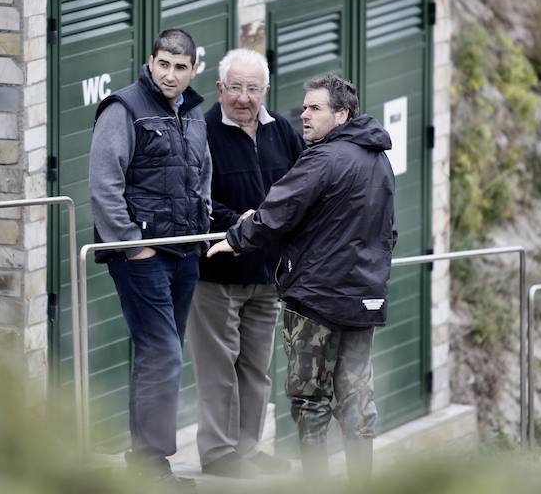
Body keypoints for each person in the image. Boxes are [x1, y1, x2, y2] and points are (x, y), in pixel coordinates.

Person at [206, 73, 397, 483]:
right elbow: (388, 231)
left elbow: (277, 210)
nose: (304, 116)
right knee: (357, 398)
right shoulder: (377, 158)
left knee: (311, 402)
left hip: (317, 300)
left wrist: (235, 239)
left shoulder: (323, 159)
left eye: (315, 109)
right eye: (304, 107)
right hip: (365, 298)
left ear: (341, 114)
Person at [89, 28, 211, 488]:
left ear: (193, 70)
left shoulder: (195, 113)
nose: (171, 75)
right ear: (150, 62)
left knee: (162, 353)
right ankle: (150, 465)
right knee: (162, 353)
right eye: (164, 64)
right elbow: (104, 182)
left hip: (186, 251)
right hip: (142, 255)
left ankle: (147, 461)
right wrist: (131, 245)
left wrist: (200, 236)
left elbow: (203, 176)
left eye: (181, 67)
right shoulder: (124, 109)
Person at [187, 49, 303, 479]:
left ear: (265, 91)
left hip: (267, 275)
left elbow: (299, 188)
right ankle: (218, 453)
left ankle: (249, 449)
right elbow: (197, 199)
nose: (243, 97)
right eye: (234, 87)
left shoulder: (283, 133)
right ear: (219, 89)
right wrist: (238, 224)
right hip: (216, 274)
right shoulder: (202, 132)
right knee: (218, 368)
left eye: (252, 89)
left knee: (255, 368)